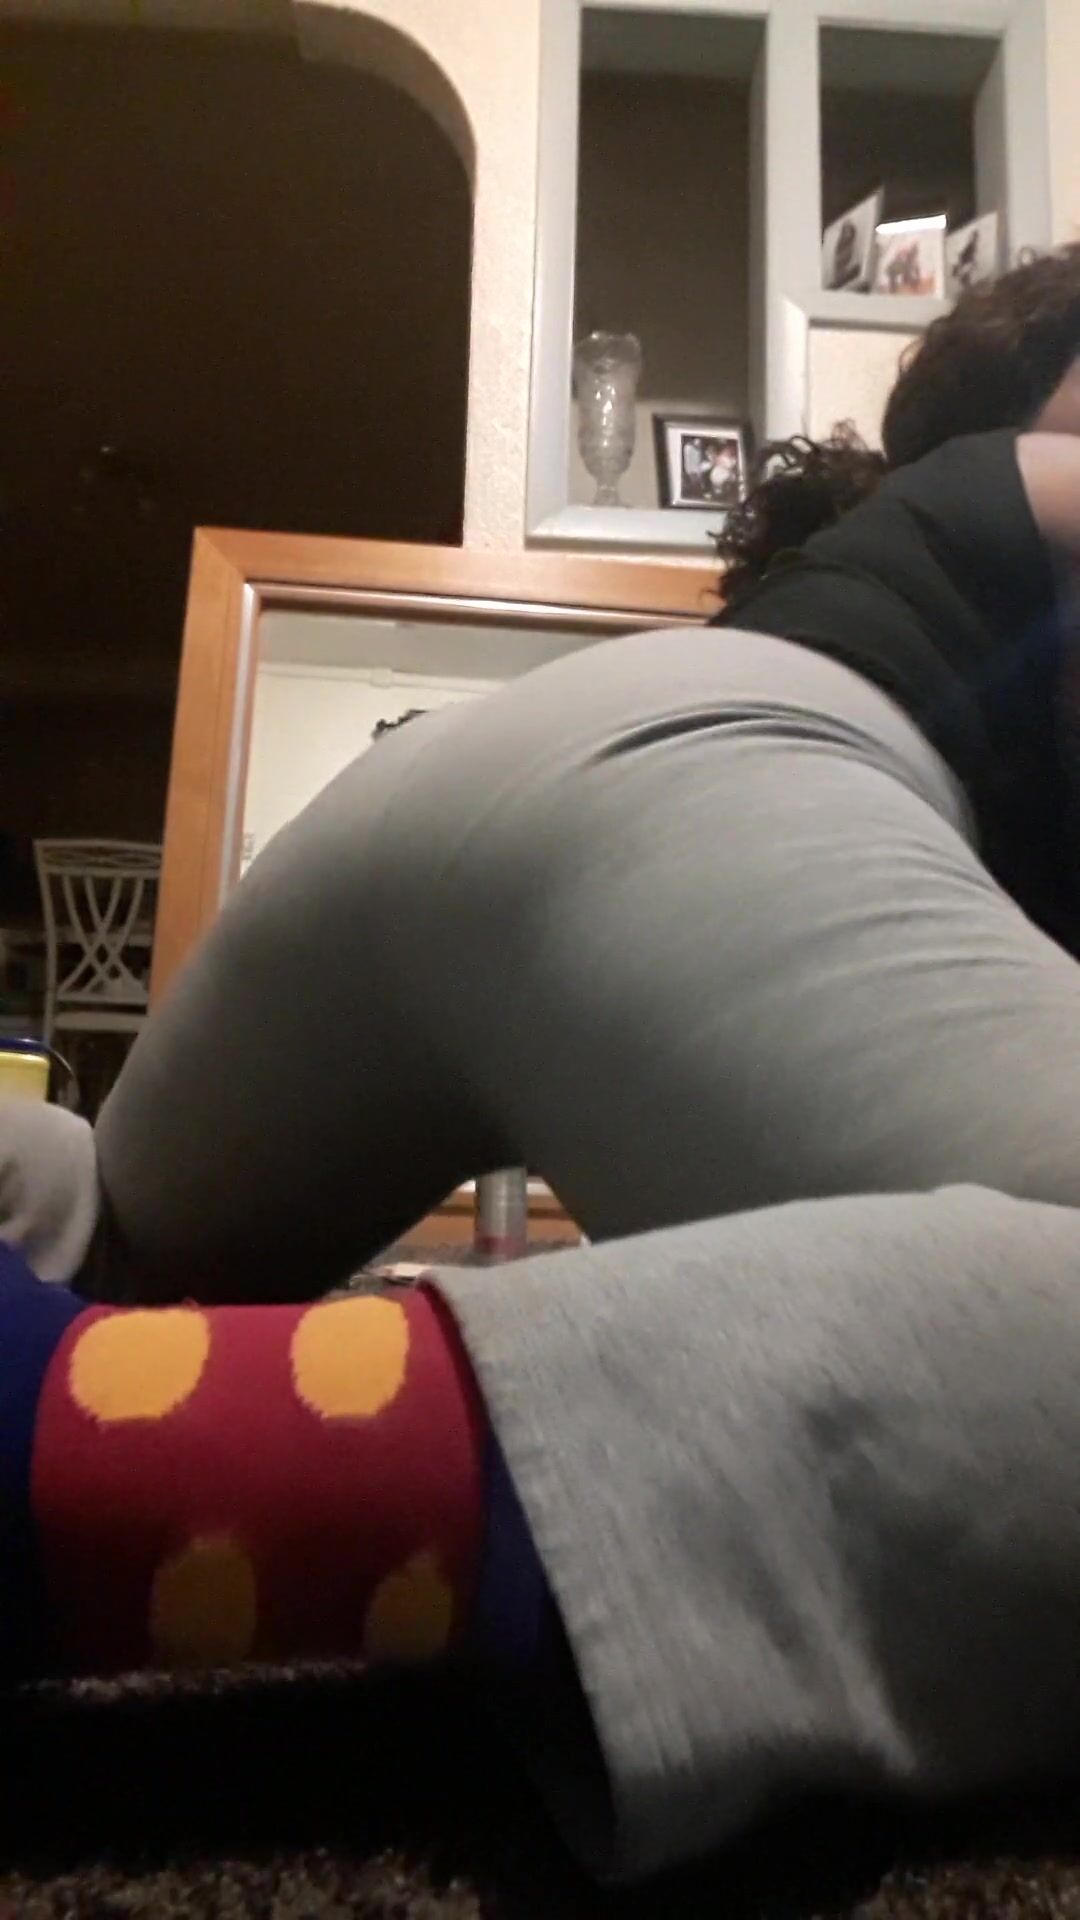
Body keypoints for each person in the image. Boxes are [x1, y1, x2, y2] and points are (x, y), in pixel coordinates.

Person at [6, 246, 1080, 1885]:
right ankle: (87, 1459)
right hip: (722, 800)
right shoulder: (1031, 489)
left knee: (119, 1240)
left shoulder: (914, 555)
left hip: (452, 803)